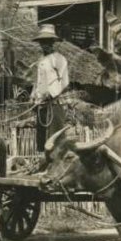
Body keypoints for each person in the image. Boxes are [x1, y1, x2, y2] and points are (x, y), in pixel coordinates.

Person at [31, 24, 69, 152]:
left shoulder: (59, 59)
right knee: (42, 139)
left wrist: (51, 93)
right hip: (41, 104)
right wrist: (34, 95)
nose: (45, 45)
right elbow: (38, 81)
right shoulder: (41, 60)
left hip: (54, 105)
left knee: (55, 139)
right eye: (42, 42)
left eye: (47, 42)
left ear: (53, 43)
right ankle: (43, 162)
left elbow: (65, 82)